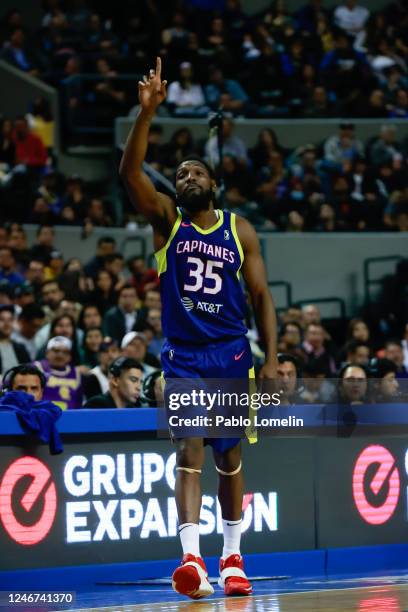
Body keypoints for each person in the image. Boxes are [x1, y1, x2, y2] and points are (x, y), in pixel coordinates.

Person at [119, 57, 277, 600]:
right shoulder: (167, 221)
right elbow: (130, 175)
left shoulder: (241, 230)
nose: (186, 176)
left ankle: (233, 559)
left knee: (229, 457)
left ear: (213, 183)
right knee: (189, 447)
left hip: (232, 355)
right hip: (184, 357)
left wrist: (273, 360)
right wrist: (147, 114)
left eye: (195, 172)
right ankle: (190, 560)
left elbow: (261, 297)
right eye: (180, 173)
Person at [34, 336, 84, 410]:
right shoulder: (35, 369)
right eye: (56, 351)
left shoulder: (76, 373)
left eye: (65, 352)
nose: (60, 355)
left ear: (70, 356)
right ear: (47, 352)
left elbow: (79, 401)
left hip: (71, 417)